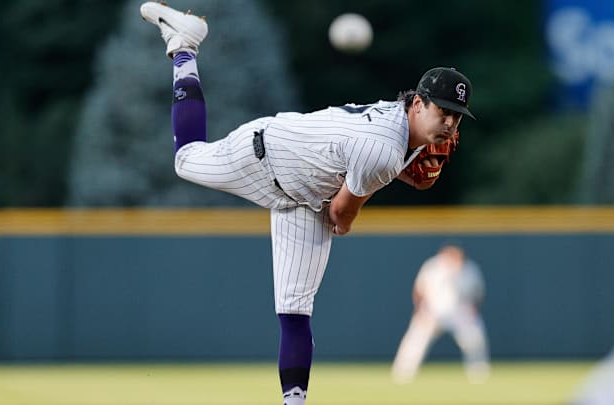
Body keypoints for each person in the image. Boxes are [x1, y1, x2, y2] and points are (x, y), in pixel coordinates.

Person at [139, 3, 476, 404]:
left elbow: (358, 165)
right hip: (268, 158)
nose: (450, 125)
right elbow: (341, 214)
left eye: (457, 117)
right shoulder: (384, 150)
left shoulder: (402, 130)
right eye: (443, 111)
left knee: (296, 309)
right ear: (419, 103)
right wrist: (352, 215)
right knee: (186, 159)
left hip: (305, 194)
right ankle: (185, 45)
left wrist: (397, 172)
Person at [391, 244, 490, 384]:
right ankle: (403, 373)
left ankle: (478, 372)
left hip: (460, 311)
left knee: (475, 339)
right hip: (433, 310)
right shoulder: (432, 267)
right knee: (416, 341)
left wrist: (473, 308)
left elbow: (478, 293)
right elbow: (419, 289)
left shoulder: (470, 269)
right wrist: (419, 309)